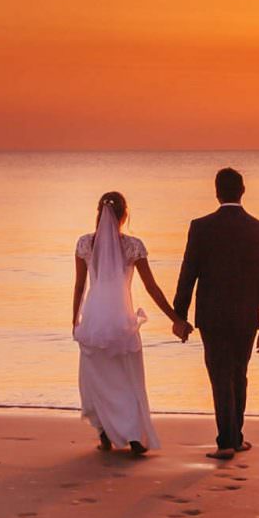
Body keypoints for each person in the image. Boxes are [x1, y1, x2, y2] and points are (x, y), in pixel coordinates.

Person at [72, 191, 190, 456]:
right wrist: (176, 319)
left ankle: (104, 435)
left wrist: (75, 320)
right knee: (128, 378)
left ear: (99, 213)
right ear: (125, 215)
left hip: (93, 320)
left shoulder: (84, 244)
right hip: (121, 320)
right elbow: (152, 288)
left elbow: (80, 285)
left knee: (97, 378)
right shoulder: (133, 246)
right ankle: (135, 436)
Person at [172, 167, 259, 461]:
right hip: (245, 316)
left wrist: (180, 316)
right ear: (242, 191)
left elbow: (187, 272)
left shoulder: (201, 227)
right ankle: (236, 438)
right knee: (239, 375)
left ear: (217, 192)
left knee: (220, 376)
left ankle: (226, 442)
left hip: (212, 315)